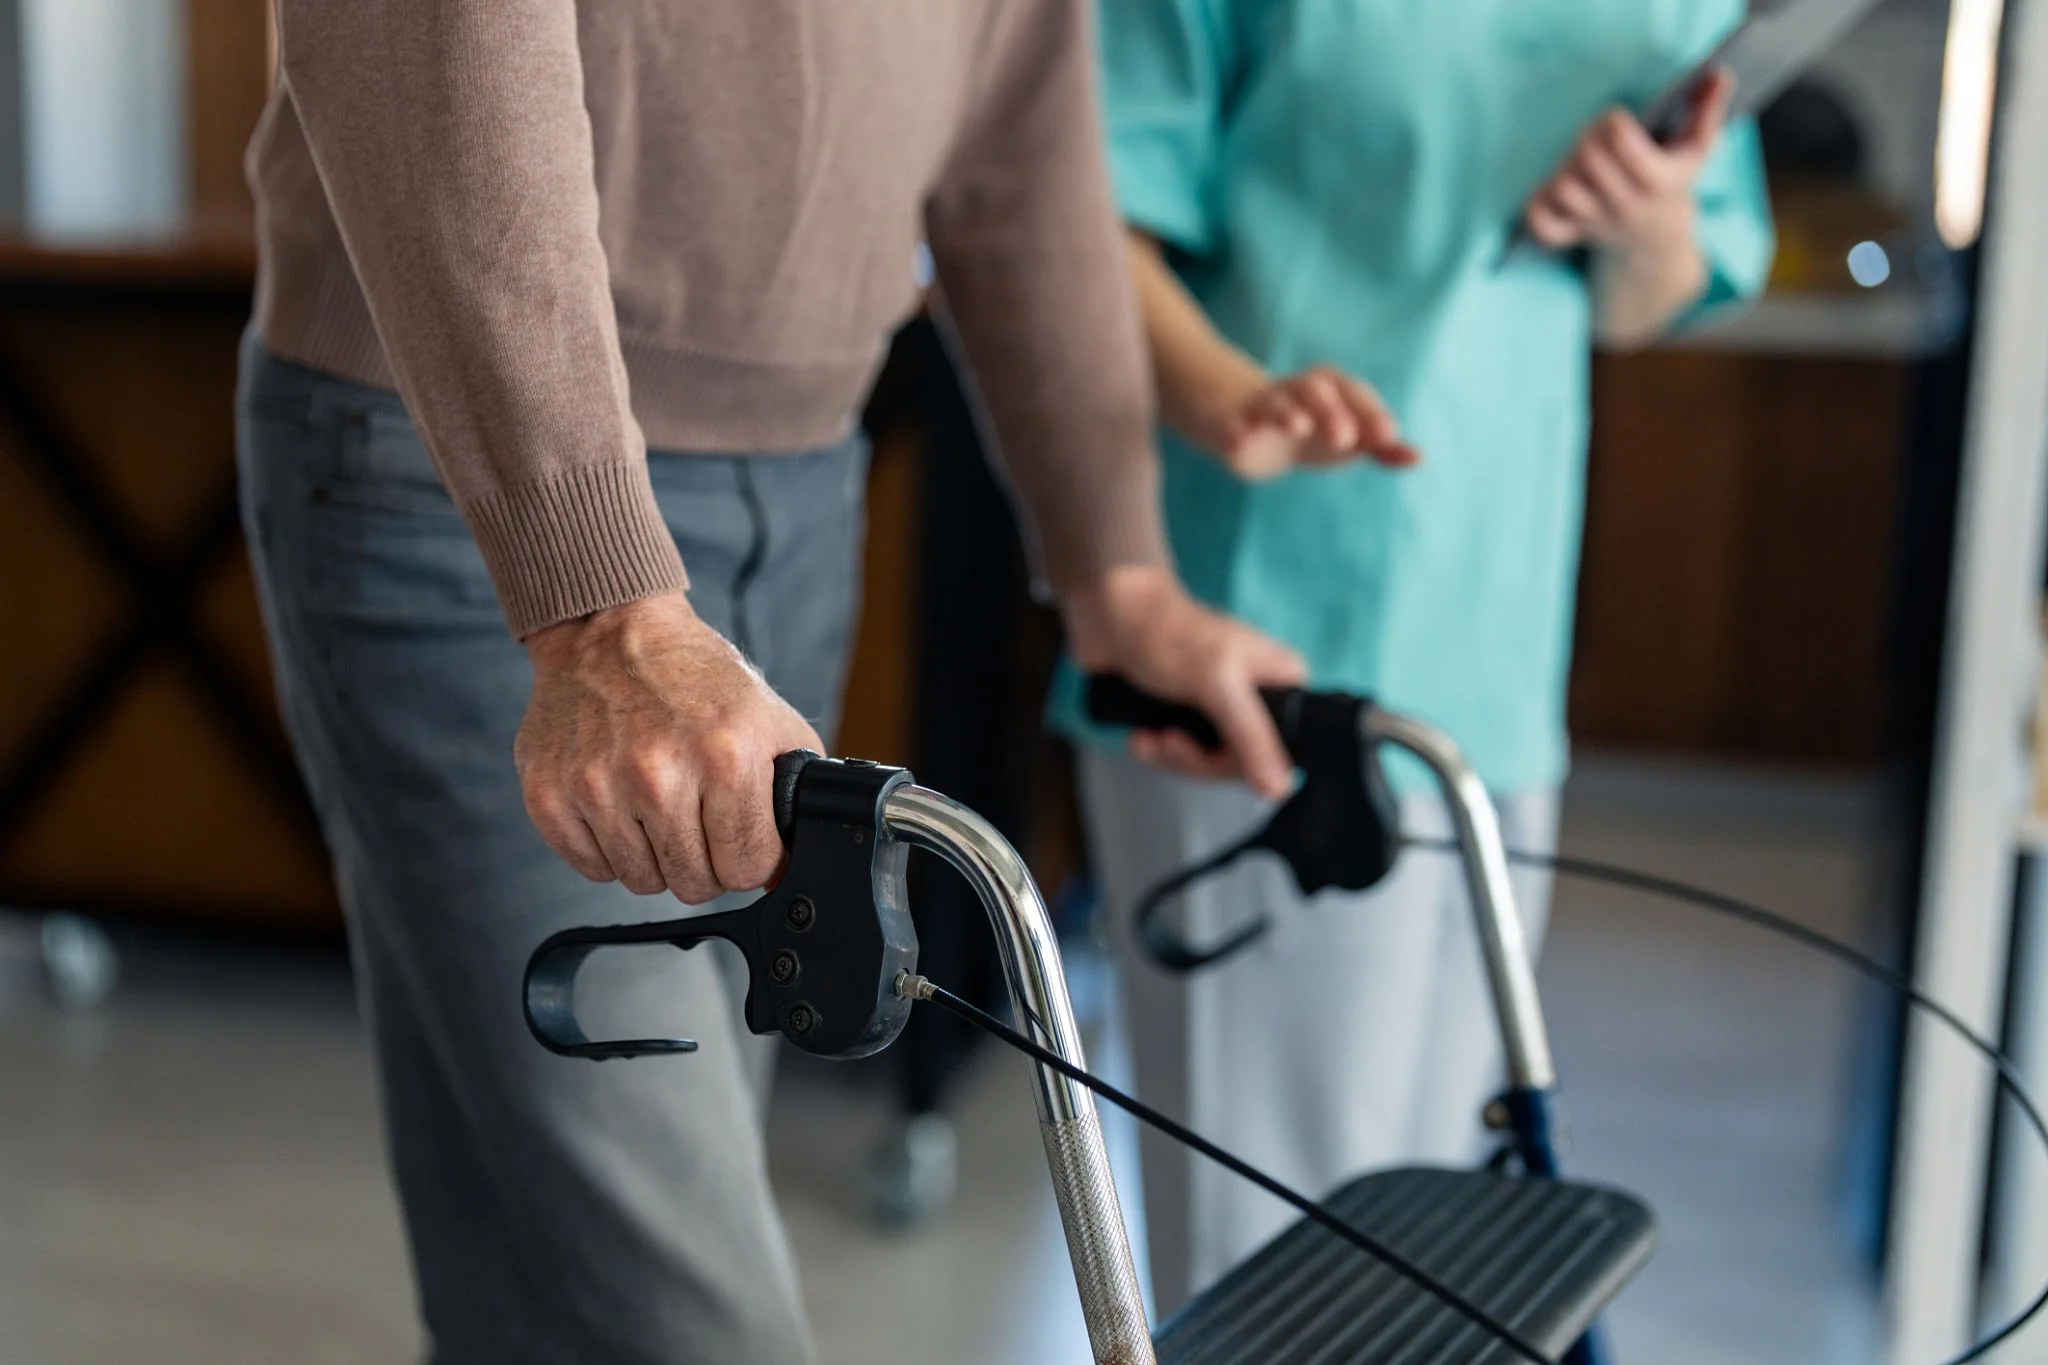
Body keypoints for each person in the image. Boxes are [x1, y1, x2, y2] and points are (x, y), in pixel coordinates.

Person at [235, 4, 1309, 1362]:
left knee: (563, 1269)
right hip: (480, 472)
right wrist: (604, 606)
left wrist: (1119, 571)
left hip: (801, 468)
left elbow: (1021, 113)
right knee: (679, 1305)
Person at [1061, 0, 1776, 1314]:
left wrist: (1646, 216)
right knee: (1275, 1254)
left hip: (1496, 635)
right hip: (1263, 628)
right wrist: (1231, 388)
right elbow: (1065, 219)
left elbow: (1651, 294)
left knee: (1431, 1242)